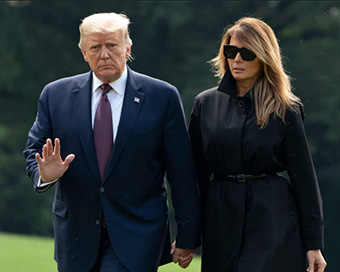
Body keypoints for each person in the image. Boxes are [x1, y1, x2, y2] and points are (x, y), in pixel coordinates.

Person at [23, 12, 201, 272]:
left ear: (128, 48)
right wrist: (45, 175)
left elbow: (182, 172)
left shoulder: (162, 97)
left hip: (138, 234)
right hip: (76, 236)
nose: (104, 54)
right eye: (95, 47)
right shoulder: (55, 95)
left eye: (112, 46)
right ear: (84, 52)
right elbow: (34, 150)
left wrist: (188, 234)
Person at [188, 17, 326, 272]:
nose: (237, 59)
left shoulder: (286, 108)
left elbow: (304, 178)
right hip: (221, 218)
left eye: (247, 53)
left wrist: (314, 244)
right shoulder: (205, 104)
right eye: (231, 51)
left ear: (264, 56)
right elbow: (196, 176)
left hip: (272, 217)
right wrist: (188, 236)